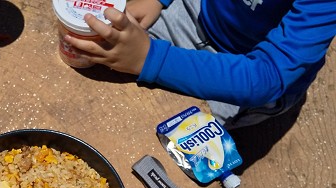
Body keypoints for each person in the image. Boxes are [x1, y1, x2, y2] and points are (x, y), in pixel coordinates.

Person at [64, 0, 336, 129]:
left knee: (159, 133)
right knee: (97, 56)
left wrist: (149, 58)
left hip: (248, 72)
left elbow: (268, 77)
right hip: (198, 11)